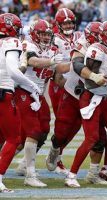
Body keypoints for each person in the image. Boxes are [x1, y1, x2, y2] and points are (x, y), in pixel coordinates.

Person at [65, 20, 107, 187]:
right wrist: (103, 78)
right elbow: (90, 82)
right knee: (92, 138)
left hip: (103, 96)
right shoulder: (96, 50)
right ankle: (71, 175)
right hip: (90, 96)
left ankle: (106, 169)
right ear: (104, 36)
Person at [15, 19, 65, 187]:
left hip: (39, 95)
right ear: (35, 34)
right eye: (42, 33)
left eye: (47, 34)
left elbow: (58, 78)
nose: (45, 37)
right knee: (33, 131)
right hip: (23, 91)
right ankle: (30, 174)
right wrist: (52, 62)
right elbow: (33, 62)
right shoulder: (28, 45)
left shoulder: (54, 49)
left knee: (44, 130)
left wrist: (81, 71)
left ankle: (23, 164)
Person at [0, 13, 41, 192]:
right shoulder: (11, 42)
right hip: (3, 92)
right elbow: (13, 71)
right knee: (13, 138)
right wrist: (32, 85)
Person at [48, 8, 82, 175]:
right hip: (59, 84)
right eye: (65, 23)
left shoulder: (80, 36)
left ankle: (56, 154)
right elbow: (53, 65)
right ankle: (56, 156)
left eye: (70, 22)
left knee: (77, 123)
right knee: (62, 124)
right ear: (58, 24)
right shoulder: (54, 39)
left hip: (76, 84)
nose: (68, 25)